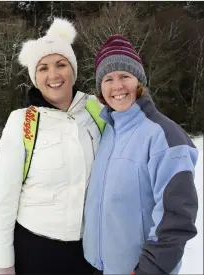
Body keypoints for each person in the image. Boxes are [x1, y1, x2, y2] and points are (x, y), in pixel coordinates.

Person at [0, 18, 101, 275]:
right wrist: (4, 264)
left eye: (61, 65)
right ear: (34, 76)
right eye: (43, 68)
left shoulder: (97, 110)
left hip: (92, 250)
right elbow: (5, 199)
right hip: (37, 251)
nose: (53, 75)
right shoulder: (22, 121)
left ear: (73, 70)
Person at [83, 35, 199, 275]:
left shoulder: (164, 135)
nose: (117, 86)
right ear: (100, 88)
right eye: (108, 78)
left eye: (125, 76)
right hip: (99, 267)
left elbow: (176, 217)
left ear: (140, 82)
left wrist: (150, 269)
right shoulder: (107, 131)